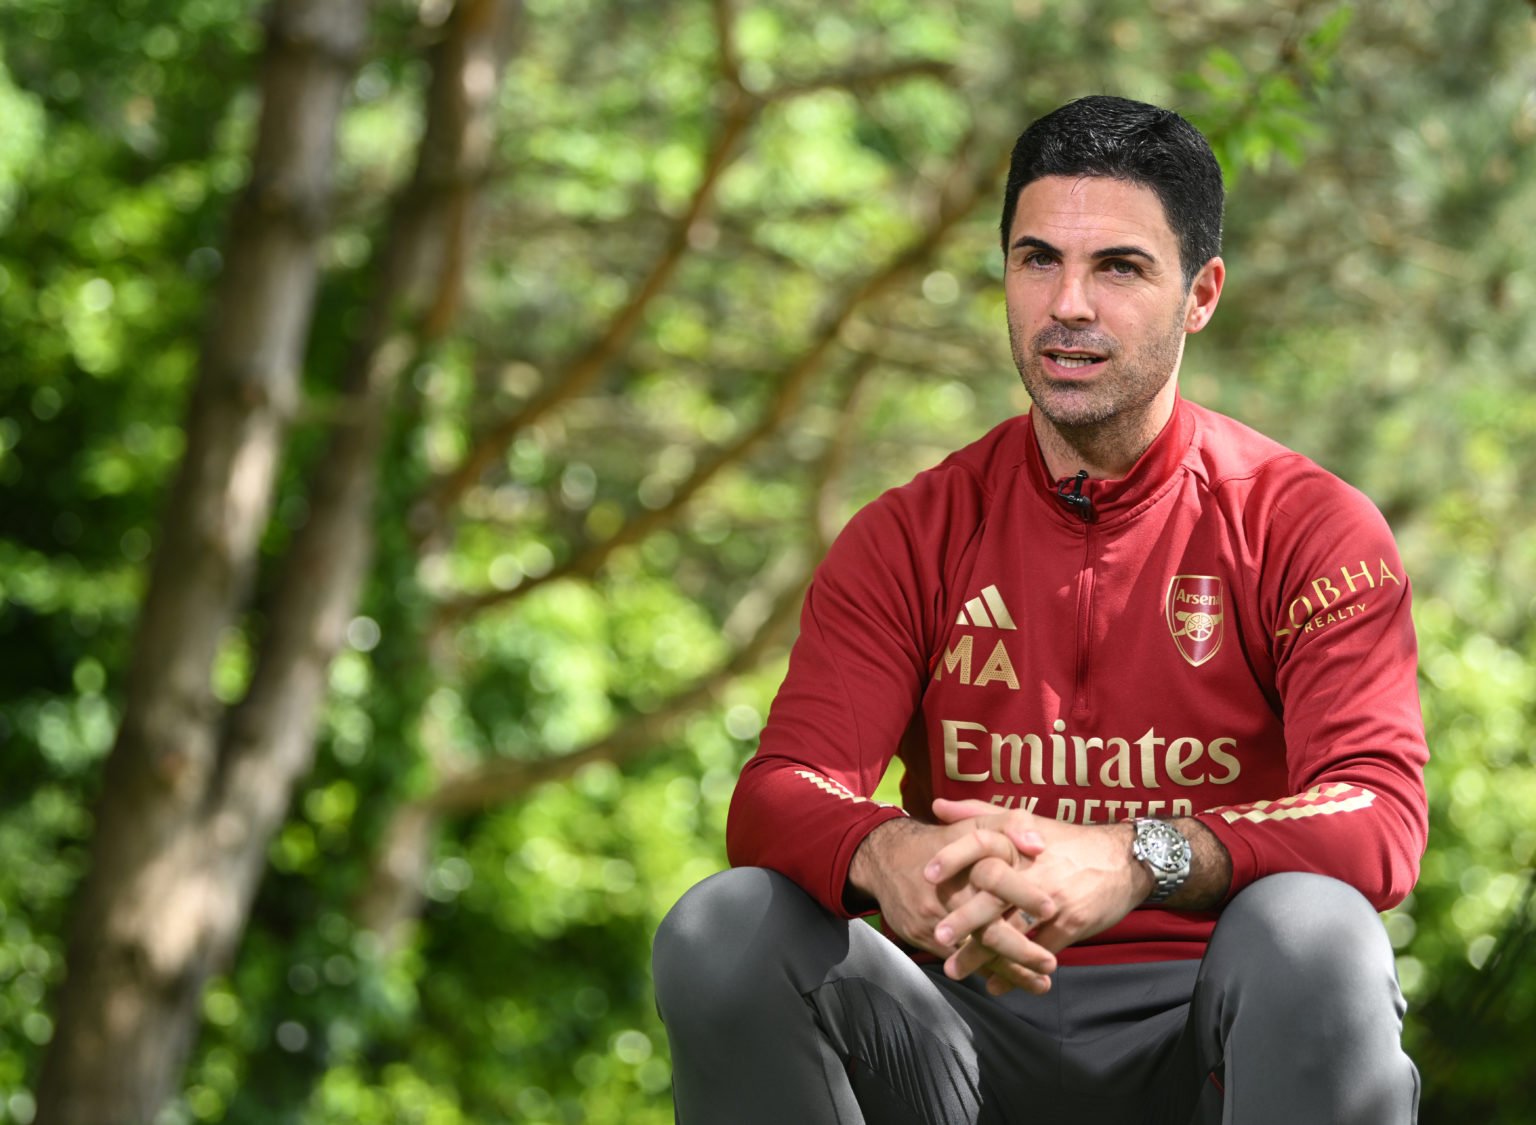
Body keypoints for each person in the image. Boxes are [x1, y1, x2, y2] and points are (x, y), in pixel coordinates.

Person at [652, 95, 1428, 1124]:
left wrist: (1135, 858)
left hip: (1220, 1038)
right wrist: (889, 853)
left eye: (1118, 267)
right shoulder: (911, 533)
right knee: (726, 924)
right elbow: (779, 791)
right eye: (1036, 260)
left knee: (1318, 929)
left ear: (1202, 294)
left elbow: (1378, 815)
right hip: (963, 1037)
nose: (1069, 303)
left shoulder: (1306, 526)